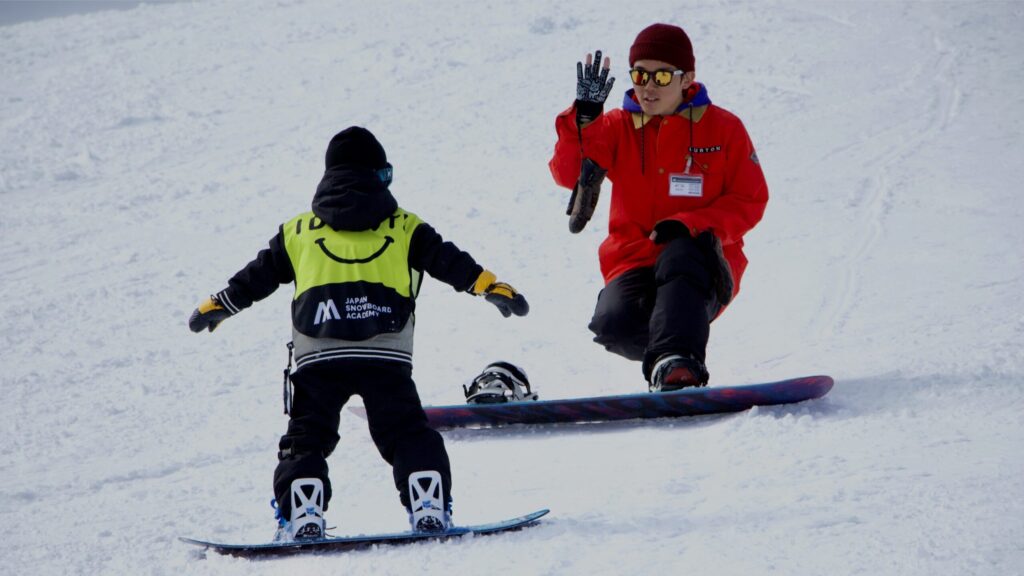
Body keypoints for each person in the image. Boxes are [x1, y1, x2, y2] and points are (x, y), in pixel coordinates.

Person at [188, 126, 529, 540]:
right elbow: (449, 261)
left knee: (307, 436)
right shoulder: (405, 227)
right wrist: (490, 286)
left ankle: (302, 510)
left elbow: (256, 277)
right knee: (405, 431)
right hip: (384, 354)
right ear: (379, 175)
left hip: (319, 355)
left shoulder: (298, 232)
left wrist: (221, 304)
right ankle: (428, 503)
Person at [548, 23, 768, 392]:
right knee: (613, 325)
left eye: (662, 76)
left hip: (704, 265)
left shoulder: (723, 128)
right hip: (635, 260)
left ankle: (679, 363)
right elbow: (568, 173)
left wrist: (690, 224)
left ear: (687, 78)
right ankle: (668, 356)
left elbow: (750, 198)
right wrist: (584, 120)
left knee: (681, 251)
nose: (649, 86)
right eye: (640, 75)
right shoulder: (616, 127)